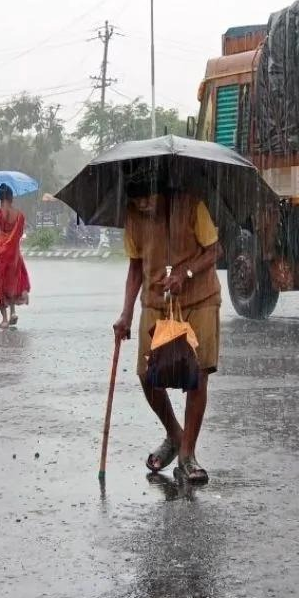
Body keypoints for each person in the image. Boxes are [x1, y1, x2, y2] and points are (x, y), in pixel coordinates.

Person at [112, 175, 221, 484]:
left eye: (148, 199)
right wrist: (126, 314)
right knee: (147, 375)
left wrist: (186, 273)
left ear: (160, 190)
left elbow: (214, 251)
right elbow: (135, 267)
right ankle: (174, 435)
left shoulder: (190, 205)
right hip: (156, 301)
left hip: (200, 298)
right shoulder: (133, 218)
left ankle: (187, 455)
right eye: (136, 202)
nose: (144, 206)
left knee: (197, 374)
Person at [0, 183, 31, 329]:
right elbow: (20, 234)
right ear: (11, 197)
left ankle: (4, 319)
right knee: (13, 282)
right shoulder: (20, 216)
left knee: (0, 285)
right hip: (14, 254)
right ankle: (13, 312)